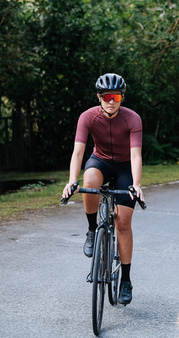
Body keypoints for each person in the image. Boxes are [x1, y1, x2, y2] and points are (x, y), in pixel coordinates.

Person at [62, 73, 144, 305]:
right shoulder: (87, 117)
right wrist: (71, 181)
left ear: (121, 97)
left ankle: (125, 280)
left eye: (116, 96)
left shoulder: (133, 119)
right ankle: (91, 230)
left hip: (124, 168)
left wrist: (136, 185)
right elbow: (78, 152)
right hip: (100, 161)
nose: (111, 101)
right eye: (107, 96)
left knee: (122, 223)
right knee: (88, 182)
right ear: (99, 97)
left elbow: (136, 155)